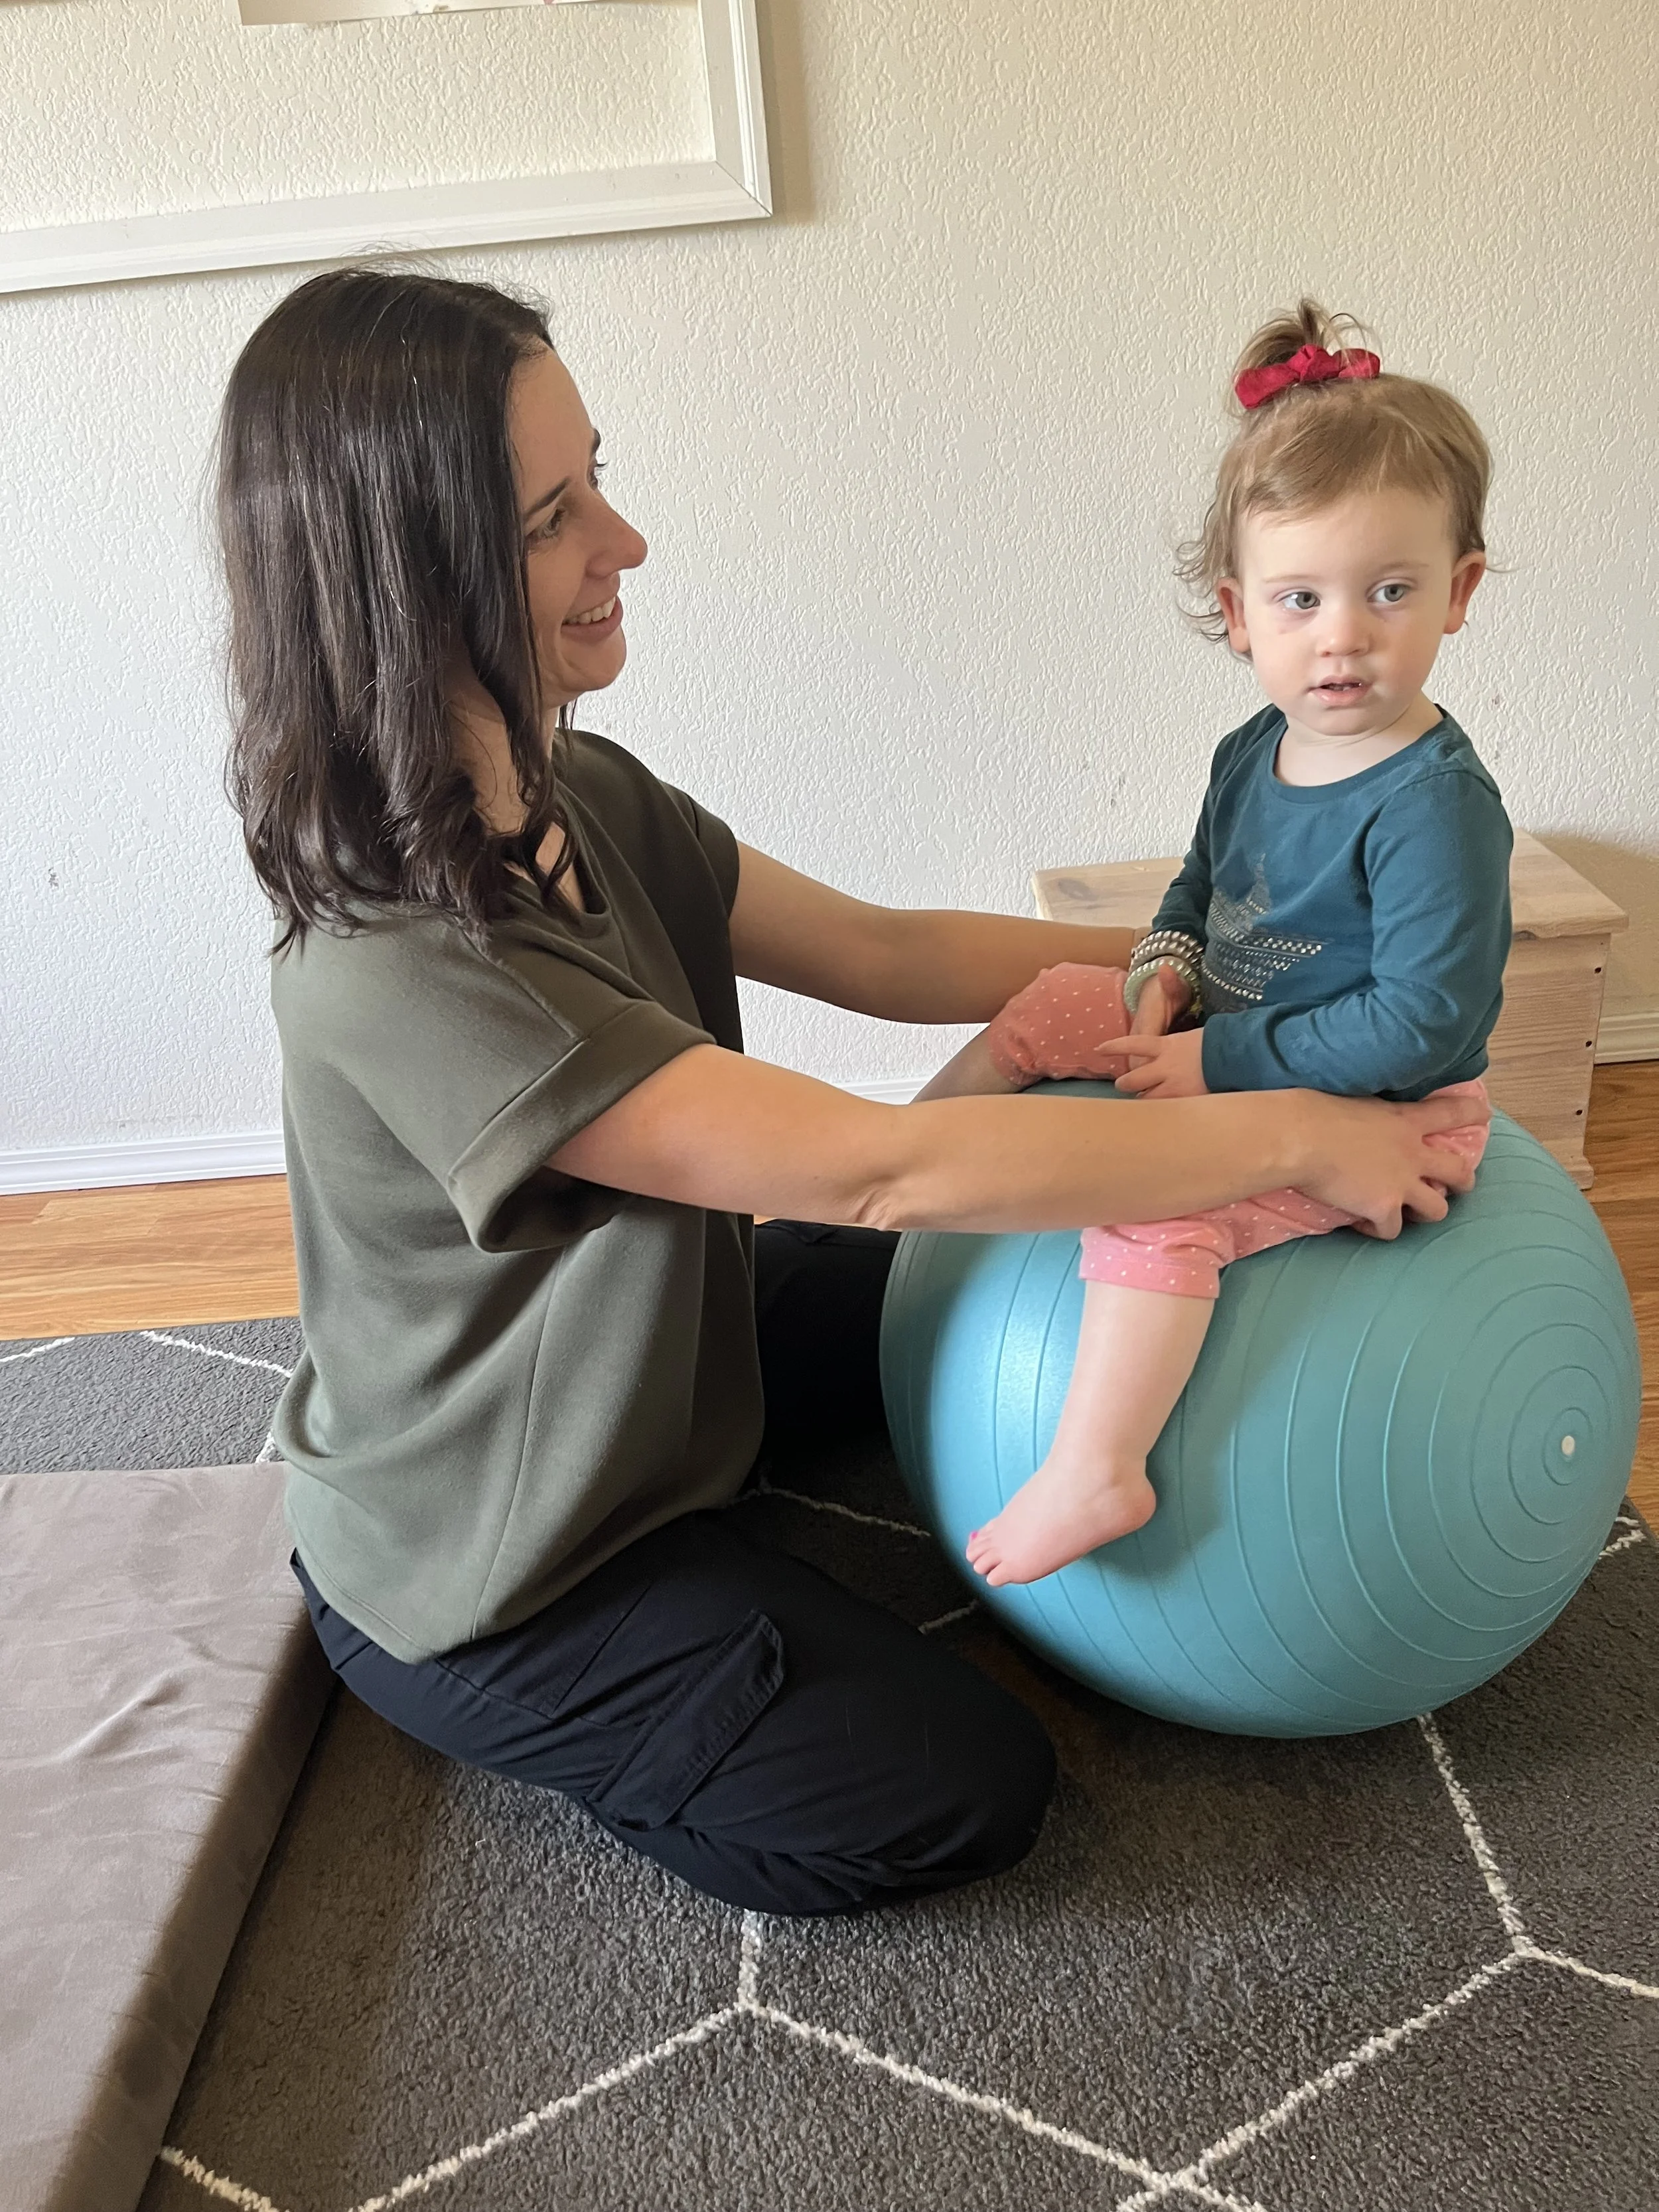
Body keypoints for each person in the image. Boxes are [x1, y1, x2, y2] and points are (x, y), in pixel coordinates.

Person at [218, 270, 1486, 1918]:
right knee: (964, 1789)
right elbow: (874, 1169)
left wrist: (1237, 961)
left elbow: (886, 949)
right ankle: (602, 1696)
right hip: (500, 1564)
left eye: (597, 473)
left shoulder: (573, 788)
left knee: (940, 1288)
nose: (624, 541)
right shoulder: (400, 961)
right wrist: (1311, 1123)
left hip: (659, 1357)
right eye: (552, 517)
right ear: (406, 577)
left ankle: (724, 1529)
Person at [928, 301, 1511, 1588]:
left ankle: (1099, 1466)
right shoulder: (1252, 750)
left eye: (1389, 591)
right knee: (1043, 1003)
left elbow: (1427, 1021)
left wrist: (1218, 1064)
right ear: (1236, 611)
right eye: (1299, 598)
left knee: (1148, 1202)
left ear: (1455, 593)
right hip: (1224, 1039)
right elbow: (1196, 890)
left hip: (1381, 1107)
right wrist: (1162, 974)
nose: (1342, 635)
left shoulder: (1431, 806)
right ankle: (902, 1218)